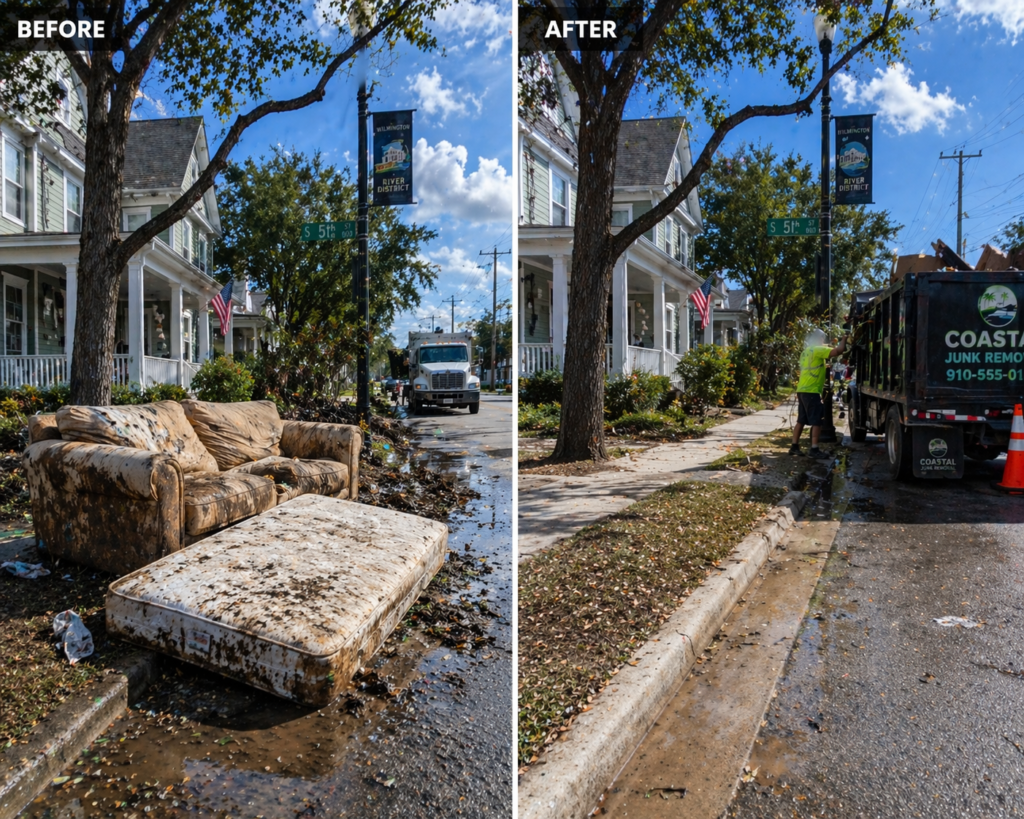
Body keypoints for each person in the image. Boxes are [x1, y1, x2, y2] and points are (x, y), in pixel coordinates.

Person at [790, 328, 847, 459]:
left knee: (801, 420)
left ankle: (794, 446)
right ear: (820, 339)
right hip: (811, 391)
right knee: (817, 421)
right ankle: (814, 449)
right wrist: (844, 340)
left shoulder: (805, 352)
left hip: (802, 390)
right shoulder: (818, 350)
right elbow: (839, 351)